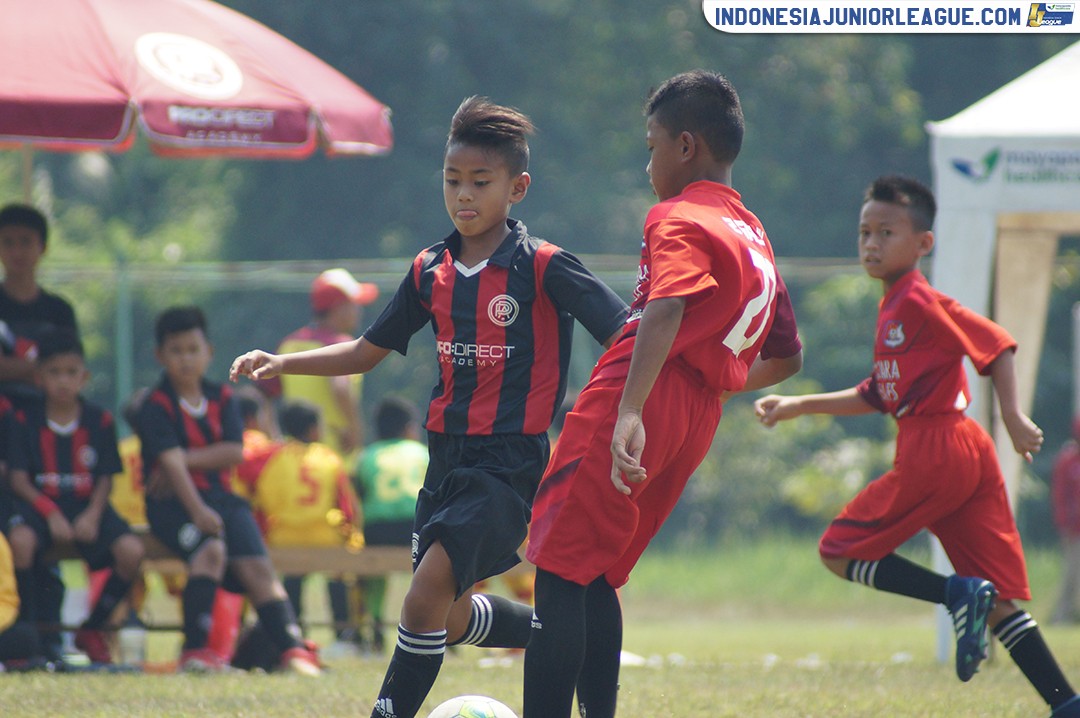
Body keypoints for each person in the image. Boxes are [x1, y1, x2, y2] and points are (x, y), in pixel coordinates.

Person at [231, 95, 629, 718]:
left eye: (480, 181)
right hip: (443, 463)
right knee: (443, 614)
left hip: (508, 465)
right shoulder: (429, 269)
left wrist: (620, 415)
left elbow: (625, 333)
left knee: (420, 601)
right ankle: (551, 630)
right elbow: (367, 351)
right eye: (452, 180)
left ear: (517, 188)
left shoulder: (545, 266)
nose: (463, 195)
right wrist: (283, 363)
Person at [521, 70, 803, 718]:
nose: (647, 163)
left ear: (683, 146)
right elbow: (787, 357)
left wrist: (629, 411)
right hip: (696, 412)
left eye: (650, 146)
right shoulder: (753, 234)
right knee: (595, 573)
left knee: (561, 567)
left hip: (642, 396)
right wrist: (717, 381)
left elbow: (669, 303)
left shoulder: (678, 214)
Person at [754, 175, 1080, 718]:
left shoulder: (918, 299)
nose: (872, 244)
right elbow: (880, 393)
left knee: (839, 550)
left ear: (923, 244)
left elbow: (995, 345)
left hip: (937, 448)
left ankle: (955, 595)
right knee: (997, 598)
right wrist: (796, 406)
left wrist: (1013, 416)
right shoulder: (894, 306)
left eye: (887, 232)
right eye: (864, 233)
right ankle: (1067, 703)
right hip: (962, 452)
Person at [136, 306, 320, 675]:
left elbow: (233, 452)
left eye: (193, 349)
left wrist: (181, 456)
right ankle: (194, 652)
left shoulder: (222, 398)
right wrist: (198, 510)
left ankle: (293, 652)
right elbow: (171, 471)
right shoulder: (154, 405)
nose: (186, 358)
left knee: (258, 567)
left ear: (209, 352)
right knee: (211, 551)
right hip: (173, 504)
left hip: (221, 500)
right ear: (161, 356)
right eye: (176, 350)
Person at [3, 328, 144, 665]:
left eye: (71, 373)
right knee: (19, 542)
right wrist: (50, 513)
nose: (63, 381)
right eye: (54, 373)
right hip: (41, 506)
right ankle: (27, 636)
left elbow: (106, 477)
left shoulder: (101, 420)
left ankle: (93, 630)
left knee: (132, 551)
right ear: (39, 378)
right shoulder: (23, 420)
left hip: (85, 507)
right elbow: (19, 479)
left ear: (84, 377)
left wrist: (94, 515)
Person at [0, 202, 75, 662]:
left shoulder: (57, 309)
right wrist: (33, 368)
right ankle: (16, 629)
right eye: (9, 242)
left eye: (26, 241)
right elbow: (48, 365)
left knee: (44, 527)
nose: (18, 251)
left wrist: (26, 372)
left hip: (45, 435)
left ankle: (45, 635)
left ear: (42, 248)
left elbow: (68, 364)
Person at [236, 400, 361, 656]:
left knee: (292, 578)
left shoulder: (269, 456)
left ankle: (292, 633)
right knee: (338, 574)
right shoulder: (329, 457)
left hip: (282, 537)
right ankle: (344, 636)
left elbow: (245, 486)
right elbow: (347, 507)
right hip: (324, 536)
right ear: (314, 429)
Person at [267, 268, 378, 459]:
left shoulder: (289, 344)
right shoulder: (341, 344)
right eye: (354, 304)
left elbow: (263, 395)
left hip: (294, 458)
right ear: (338, 307)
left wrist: (274, 437)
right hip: (333, 457)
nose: (359, 311)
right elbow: (341, 387)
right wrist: (355, 431)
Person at [351, 396, 428, 654]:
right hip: (415, 527)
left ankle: (374, 625)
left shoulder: (366, 456)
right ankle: (439, 627)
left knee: (372, 577)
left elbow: (359, 495)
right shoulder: (421, 452)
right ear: (408, 427)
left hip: (377, 530)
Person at [1051, 418, 1080, 624]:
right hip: (1075, 529)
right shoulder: (1068, 460)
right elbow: (1060, 495)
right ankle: (1063, 616)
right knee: (1072, 573)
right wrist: (1064, 524)